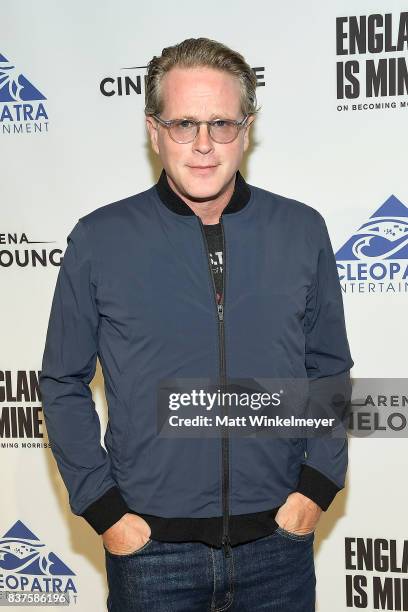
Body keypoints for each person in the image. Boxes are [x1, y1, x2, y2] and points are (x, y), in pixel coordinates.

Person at [39, 37, 354, 611]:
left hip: (279, 547)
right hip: (150, 555)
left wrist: (317, 487)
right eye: (184, 123)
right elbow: (62, 381)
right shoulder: (100, 239)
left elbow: (328, 365)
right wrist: (107, 513)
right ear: (153, 129)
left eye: (222, 123)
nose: (204, 145)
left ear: (248, 127)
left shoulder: (302, 230)